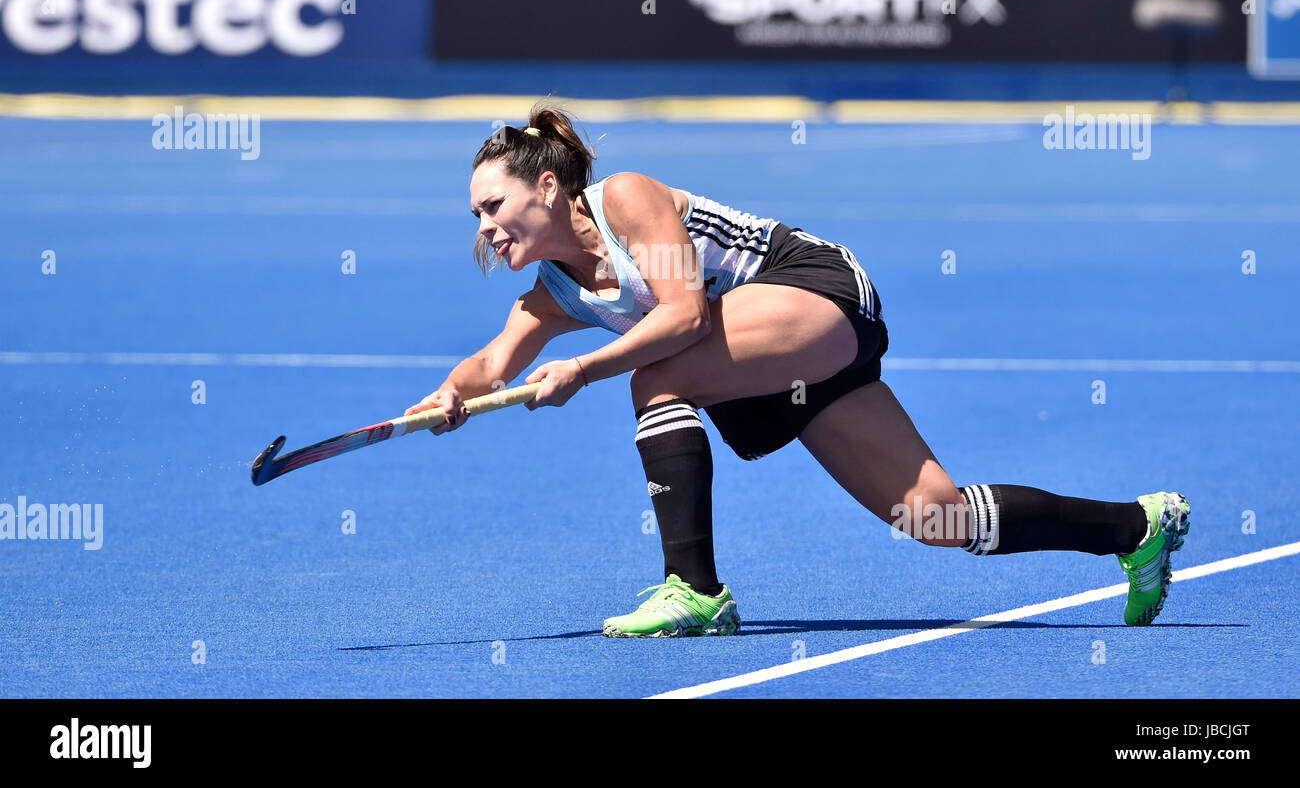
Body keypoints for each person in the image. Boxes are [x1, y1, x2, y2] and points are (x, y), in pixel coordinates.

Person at [406, 102, 1190, 638]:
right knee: (934, 517)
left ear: (548, 187)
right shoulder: (551, 293)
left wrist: (583, 370)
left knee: (658, 375)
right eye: (474, 216)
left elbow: (683, 314)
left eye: (491, 205)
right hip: (770, 362)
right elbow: (491, 363)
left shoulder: (628, 202)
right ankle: (1134, 527)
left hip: (816, 293)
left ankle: (697, 592)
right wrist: (447, 397)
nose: (484, 227)